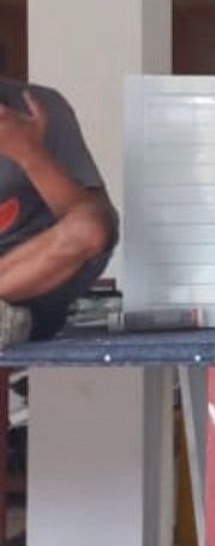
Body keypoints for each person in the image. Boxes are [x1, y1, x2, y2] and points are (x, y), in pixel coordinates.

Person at [0, 82, 118, 348]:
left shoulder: (39, 107)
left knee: (89, 227)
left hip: (31, 282)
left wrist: (29, 154)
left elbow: (96, 230)